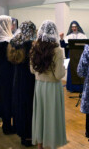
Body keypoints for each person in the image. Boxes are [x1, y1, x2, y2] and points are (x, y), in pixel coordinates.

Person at [30, 20, 67, 149]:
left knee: (40, 115)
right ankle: (51, 144)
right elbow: (58, 75)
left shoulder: (34, 47)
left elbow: (32, 70)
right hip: (53, 87)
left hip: (39, 86)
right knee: (51, 116)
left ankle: (40, 144)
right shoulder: (57, 50)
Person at [7, 21, 36, 146]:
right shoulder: (29, 44)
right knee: (28, 106)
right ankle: (29, 136)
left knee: (19, 104)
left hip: (17, 77)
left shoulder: (14, 42)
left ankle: (22, 134)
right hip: (29, 78)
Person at [0, 15, 15, 134]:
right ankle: (8, 126)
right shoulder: (8, 41)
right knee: (9, 97)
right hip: (8, 72)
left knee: (2, 96)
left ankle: (5, 124)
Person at [60, 21, 87, 92]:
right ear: (71, 28)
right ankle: (72, 88)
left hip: (80, 56)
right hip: (71, 56)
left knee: (80, 70)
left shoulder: (82, 36)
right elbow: (63, 45)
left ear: (78, 27)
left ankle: (82, 88)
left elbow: (86, 45)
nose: (74, 28)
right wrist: (62, 38)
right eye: (72, 27)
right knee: (71, 72)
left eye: (75, 27)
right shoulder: (68, 36)